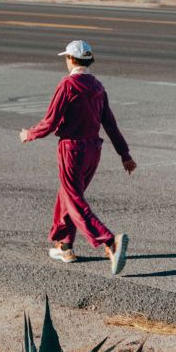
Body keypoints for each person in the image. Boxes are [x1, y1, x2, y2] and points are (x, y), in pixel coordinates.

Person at [19, 40, 136, 274]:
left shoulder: (68, 85)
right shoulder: (98, 86)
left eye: (66, 58)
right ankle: (65, 247)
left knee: (73, 199)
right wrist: (125, 154)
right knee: (68, 196)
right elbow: (110, 124)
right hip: (94, 149)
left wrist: (29, 134)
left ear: (71, 60)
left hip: (72, 148)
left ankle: (110, 242)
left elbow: (51, 121)